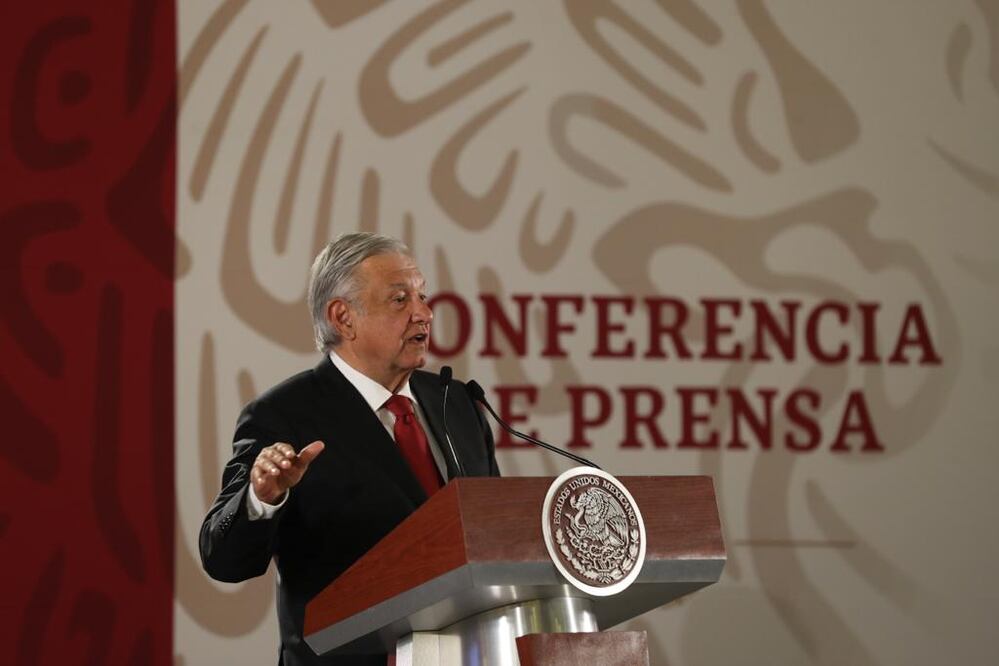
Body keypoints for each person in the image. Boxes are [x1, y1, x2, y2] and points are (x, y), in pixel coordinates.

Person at [199, 233, 500, 666]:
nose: (424, 313)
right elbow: (224, 560)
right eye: (400, 300)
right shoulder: (283, 415)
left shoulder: (457, 404)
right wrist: (262, 498)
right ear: (343, 318)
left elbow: (494, 537)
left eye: (422, 296)